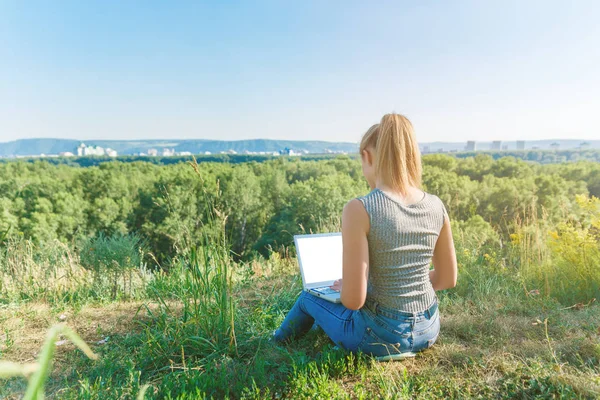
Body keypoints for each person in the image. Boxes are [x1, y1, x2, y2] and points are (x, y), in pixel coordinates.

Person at [273, 113, 458, 359]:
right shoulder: (436, 205)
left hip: (378, 336)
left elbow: (354, 301)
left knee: (309, 298)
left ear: (367, 156)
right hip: (428, 329)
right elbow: (447, 279)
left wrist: (350, 288)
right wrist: (401, 287)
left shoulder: (360, 208)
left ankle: (274, 345)